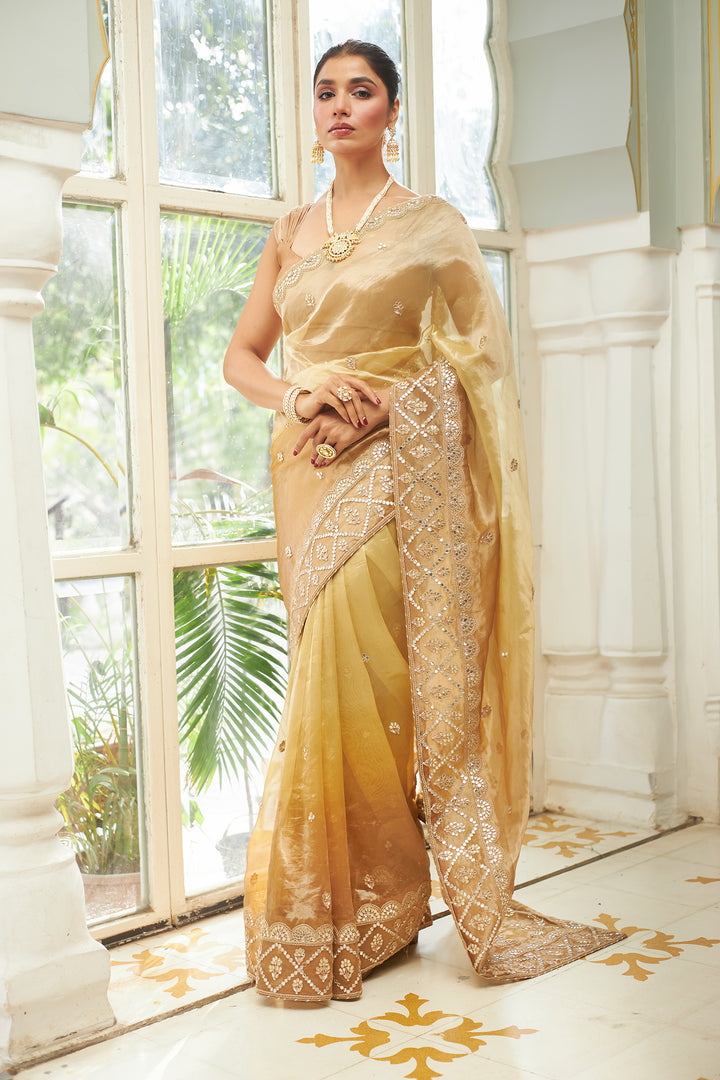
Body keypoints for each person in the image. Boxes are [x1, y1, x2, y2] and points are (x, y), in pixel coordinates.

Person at [223, 40, 622, 1003]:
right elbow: (242, 359)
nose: (340, 106)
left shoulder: (432, 226)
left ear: (392, 112)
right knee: (322, 676)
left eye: (361, 91)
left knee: (366, 677)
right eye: (326, 92)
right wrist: (300, 394)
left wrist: (389, 409)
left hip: (398, 470)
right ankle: (340, 903)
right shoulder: (289, 232)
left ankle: (381, 900)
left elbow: (481, 364)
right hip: (308, 469)